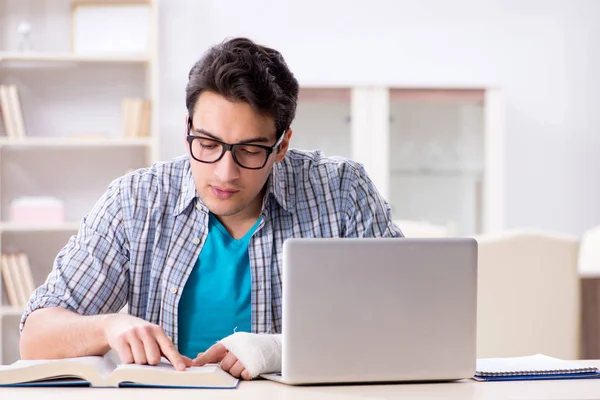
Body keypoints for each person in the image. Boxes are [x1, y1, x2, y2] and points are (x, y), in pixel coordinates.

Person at [19, 37, 403, 380]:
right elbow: (35, 338)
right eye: (206, 143)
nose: (224, 172)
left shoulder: (340, 191)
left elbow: (402, 320)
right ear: (188, 127)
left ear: (282, 145)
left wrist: (276, 350)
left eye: (250, 150)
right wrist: (107, 327)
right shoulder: (135, 201)